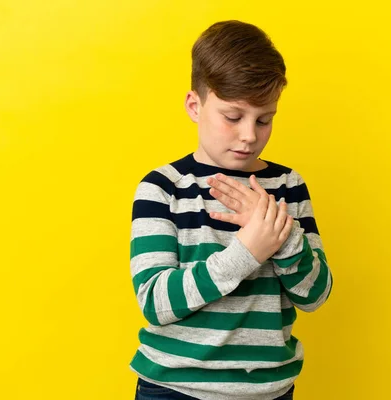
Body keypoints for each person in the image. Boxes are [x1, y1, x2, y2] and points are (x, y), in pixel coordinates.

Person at [129, 20, 333, 400]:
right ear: (195, 105)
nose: (249, 135)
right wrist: (247, 253)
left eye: (265, 119)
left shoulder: (288, 186)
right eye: (233, 117)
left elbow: (316, 296)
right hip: (174, 388)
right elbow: (156, 303)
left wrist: (284, 239)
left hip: (269, 390)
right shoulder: (163, 188)